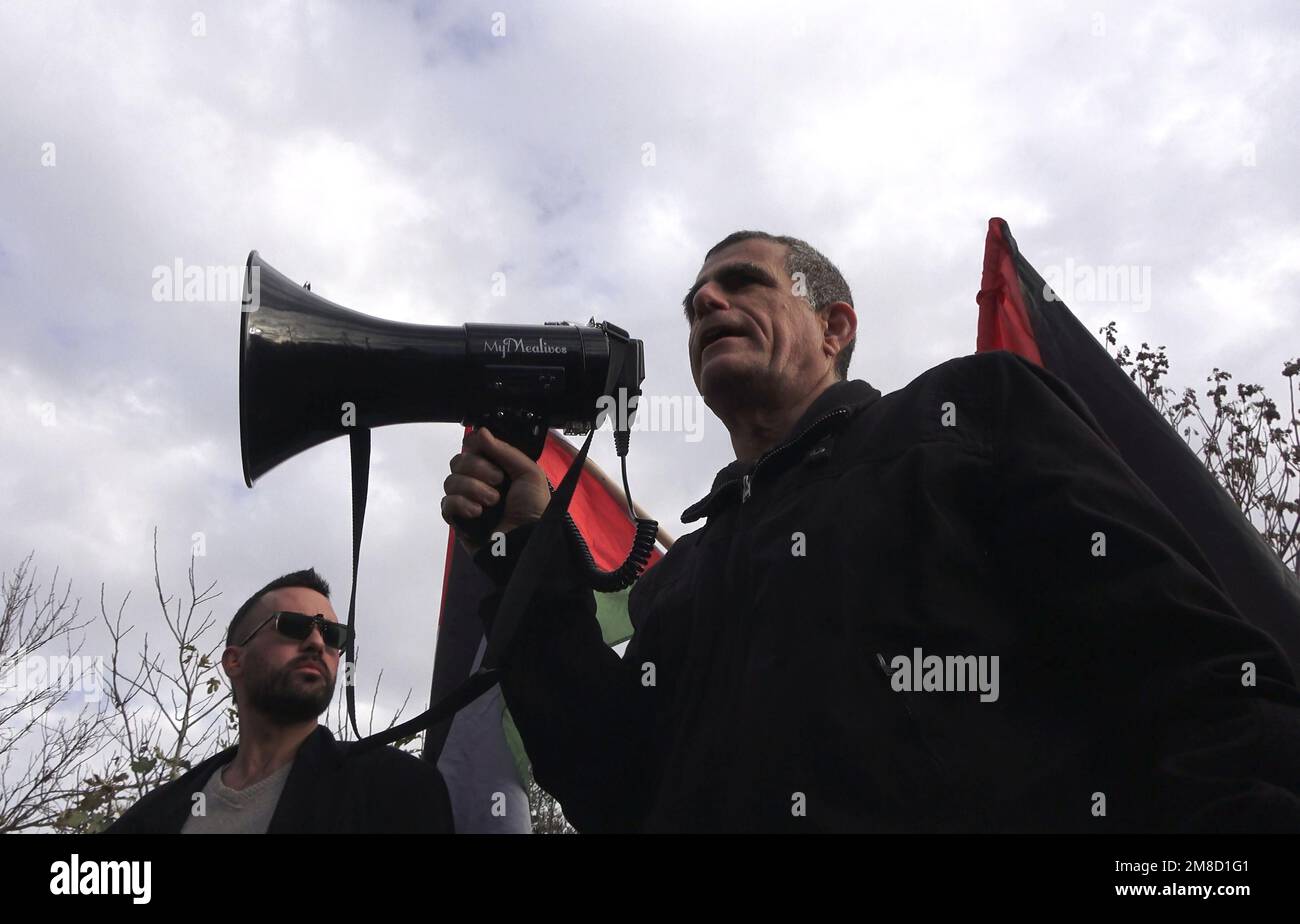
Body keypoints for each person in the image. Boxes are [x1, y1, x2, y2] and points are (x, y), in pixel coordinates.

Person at [441, 230, 1300, 833]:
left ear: (835, 325)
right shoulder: (678, 579)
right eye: (695, 302)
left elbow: (1191, 675)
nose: (705, 301)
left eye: (742, 282)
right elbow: (614, 786)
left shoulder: (970, 416)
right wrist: (525, 557)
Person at [107, 568, 453, 833]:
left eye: (332, 634)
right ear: (234, 660)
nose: (317, 643)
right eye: (293, 626)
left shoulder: (395, 787)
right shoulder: (155, 814)